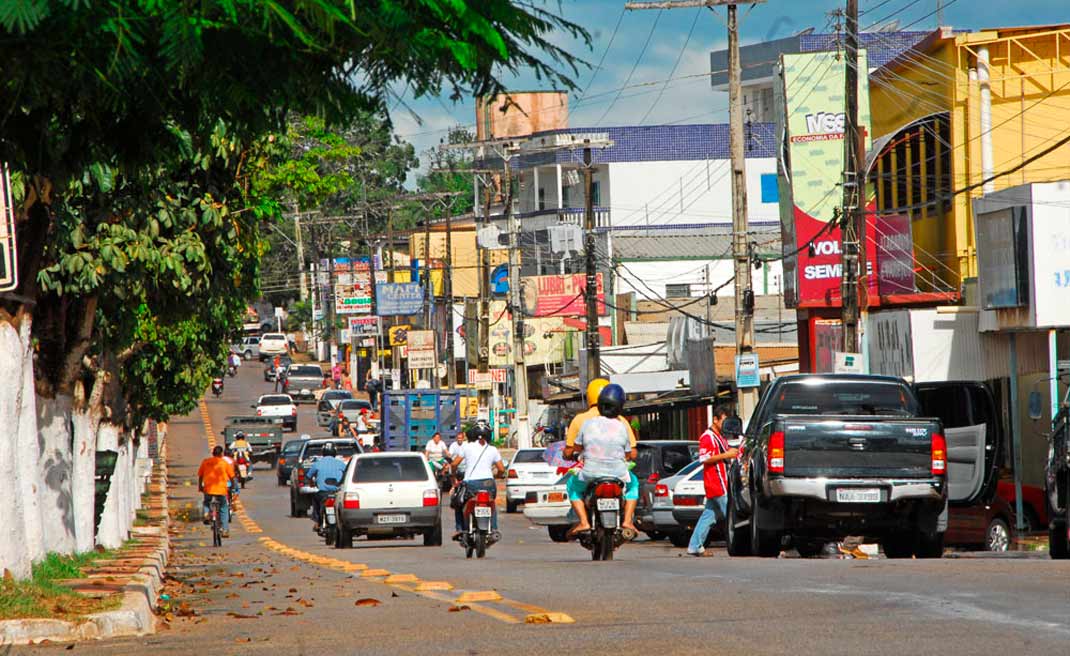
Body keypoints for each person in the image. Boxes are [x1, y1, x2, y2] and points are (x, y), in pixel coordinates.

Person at [564, 378, 640, 534]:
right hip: (618, 474)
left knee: (572, 486)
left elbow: (575, 448)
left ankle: (584, 522)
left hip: (590, 473)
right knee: (634, 485)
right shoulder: (622, 424)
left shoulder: (584, 422)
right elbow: (630, 453)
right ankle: (627, 521)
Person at [686, 405, 739, 557]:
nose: (725, 425)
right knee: (731, 515)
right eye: (723, 421)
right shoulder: (707, 437)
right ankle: (741, 543)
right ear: (715, 420)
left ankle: (695, 545)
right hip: (717, 483)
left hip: (721, 482)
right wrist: (726, 455)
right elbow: (704, 458)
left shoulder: (721, 437)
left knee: (708, 516)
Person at [449, 422, 505, 540]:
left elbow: (454, 464)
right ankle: (494, 528)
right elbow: (501, 469)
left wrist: (453, 475)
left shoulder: (466, 447)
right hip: (489, 484)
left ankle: (459, 529)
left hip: (471, 484)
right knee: (491, 503)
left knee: (458, 503)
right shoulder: (493, 449)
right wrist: (497, 476)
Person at [307, 442, 347, 528]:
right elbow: (347, 474)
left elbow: (309, 476)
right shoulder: (341, 463)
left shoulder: (317, 463)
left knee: (315, 499)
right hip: (337, 493)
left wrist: (311, 484)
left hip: (322, 494)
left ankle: (317, 521)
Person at [198, 445, 236, 537]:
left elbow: (200, 476)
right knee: (223, 508)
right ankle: (225, 530)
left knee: (207, 502)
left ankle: (207, 513)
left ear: (213, 453)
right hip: (221, 490)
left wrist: (200, 487)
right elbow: (232, 477)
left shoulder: (205, 462)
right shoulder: (224, 463)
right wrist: (233, 487)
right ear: (221, 454)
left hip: (208, 488)